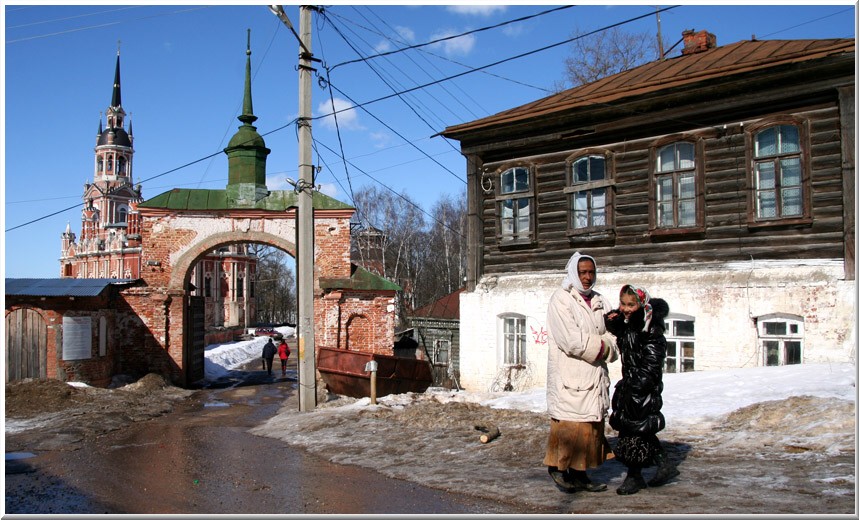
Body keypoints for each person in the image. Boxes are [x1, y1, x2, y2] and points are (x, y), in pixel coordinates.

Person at [543, 251, 619, 493]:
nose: (587, 277)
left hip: (594, 377)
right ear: (573, 273)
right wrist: (604, 345)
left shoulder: (599, 300)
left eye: (591, 272)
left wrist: (609, 344)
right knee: (569, 427)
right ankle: (558, 469)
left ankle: (580, 474)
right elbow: (571, 340)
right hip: (570, 377)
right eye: (582, 272)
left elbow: (615, 335)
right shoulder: (562, 299)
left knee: (589, 429)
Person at [605, 284, 679, 495]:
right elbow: (622, 335)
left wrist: (639, 385)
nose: (626, 309)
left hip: (644, 386)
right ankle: (663, 464)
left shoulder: (650, 326)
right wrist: (614, 321)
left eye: (631, 304)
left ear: (641, 303)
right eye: (623, 304)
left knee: (635, 432)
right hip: (630, 384)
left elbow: (653, 361)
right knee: (636, 429)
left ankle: (634, 476)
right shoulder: (630, 325)